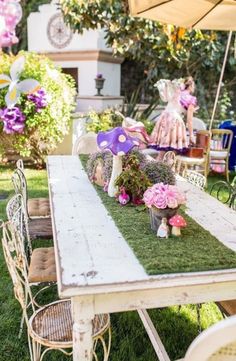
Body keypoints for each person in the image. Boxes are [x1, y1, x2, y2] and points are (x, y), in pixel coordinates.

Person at [149, 77, 198, 156]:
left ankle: (156, 167)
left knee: (162, 152)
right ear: (192, 86)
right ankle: (169, 167)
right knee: (173, 153)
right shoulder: (191, 99)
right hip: (175, 121)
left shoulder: (176, 92)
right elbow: (189, 120)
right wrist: (191, 135)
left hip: (164, 118)